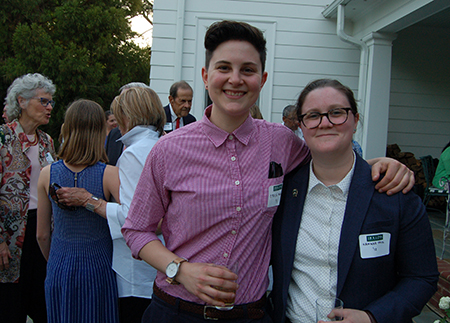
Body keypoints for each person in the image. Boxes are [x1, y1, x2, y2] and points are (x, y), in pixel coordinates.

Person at [121, 20, 415, 323]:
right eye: (224, 68)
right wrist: (180, 270)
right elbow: (136, 230)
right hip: (177, 312)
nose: (235, 79)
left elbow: (330, 163)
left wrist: (375, 165)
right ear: (206, 77)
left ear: (261, 80)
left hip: (252, 314)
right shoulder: (169, 150)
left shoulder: (282, 142)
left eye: (247, 70)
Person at [270, 79, 439, 323]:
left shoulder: (393, 193)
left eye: (337, 113)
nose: (325, 123)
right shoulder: (283, 193)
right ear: (302, 126)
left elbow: (422, 278)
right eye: (313, 115)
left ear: (355, 120)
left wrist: (372, 317)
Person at [54, 87, 166, 323]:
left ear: (128, 115)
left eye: (118, 116)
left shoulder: (134, 153)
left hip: (137, 269)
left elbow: (137, 218)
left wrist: (90, 201)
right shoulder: (158, 143)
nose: (115, 125)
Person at [36, 99, 120, 323]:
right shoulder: (110, 174)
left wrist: (55, 259)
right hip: (100, 265)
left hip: (59, 264)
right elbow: (130, 218)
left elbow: (42, 234)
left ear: (67, 128)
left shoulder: (46, 173)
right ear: (99, 131)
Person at [0, 73, 57, 323]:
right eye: (44, 101)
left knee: (42, 303)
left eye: (51, 102)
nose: (50, 107)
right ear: (21, 101)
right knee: (11, 305)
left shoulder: (47, 142)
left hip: (41, 230)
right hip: (9, 236)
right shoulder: (3, 139)